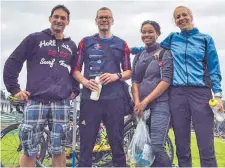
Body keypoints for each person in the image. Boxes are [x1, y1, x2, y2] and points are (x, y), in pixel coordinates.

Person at [3, 5, 79, 167]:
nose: (59, 20)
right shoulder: (34, 39)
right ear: (50, 19)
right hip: (35, 100)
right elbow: (13, 62)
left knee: (59, 149)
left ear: (68, 22)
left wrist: (75, 89)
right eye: (56, 16)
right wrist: (14, 89)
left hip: (61, 103)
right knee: (29, 148)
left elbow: (75, 71)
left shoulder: (71, 46)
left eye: (63, 18)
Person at [160, 6, 224, 167]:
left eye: (184, 15)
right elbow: (153, 48)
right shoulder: (172, 38)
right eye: (177, 17)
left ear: (191, 16)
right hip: (177, 93)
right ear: (175, 21)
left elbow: (214, 68)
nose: (181, 18)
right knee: (181, 144)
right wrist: (128, 50)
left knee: (205, 143)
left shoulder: (205, 39)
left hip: (200, 93)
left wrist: (218, 95)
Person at [72, 7, 131, 167]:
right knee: (86, 143)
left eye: (107, 17)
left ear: (112, 21)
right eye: (101, 17)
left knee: (117, 142)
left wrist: (116, 76)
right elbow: (76, 70)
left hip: (114, 99)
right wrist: (84, 82)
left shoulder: (121, 44)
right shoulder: (85, 42)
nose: (104, 20)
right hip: (90, 98)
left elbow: (128, 71)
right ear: (96, 20)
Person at [131, 20, 173, 167]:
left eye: (150, 31)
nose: (146, 34)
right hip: (141, 108)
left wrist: (145, 101)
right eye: (144, 32)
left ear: (158, 33)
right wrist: (137, 102)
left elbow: (166, 81)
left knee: (156, 146)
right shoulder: (138, 56)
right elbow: (135, 80)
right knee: (143, 148)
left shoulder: (164, 53)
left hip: (160, 105)